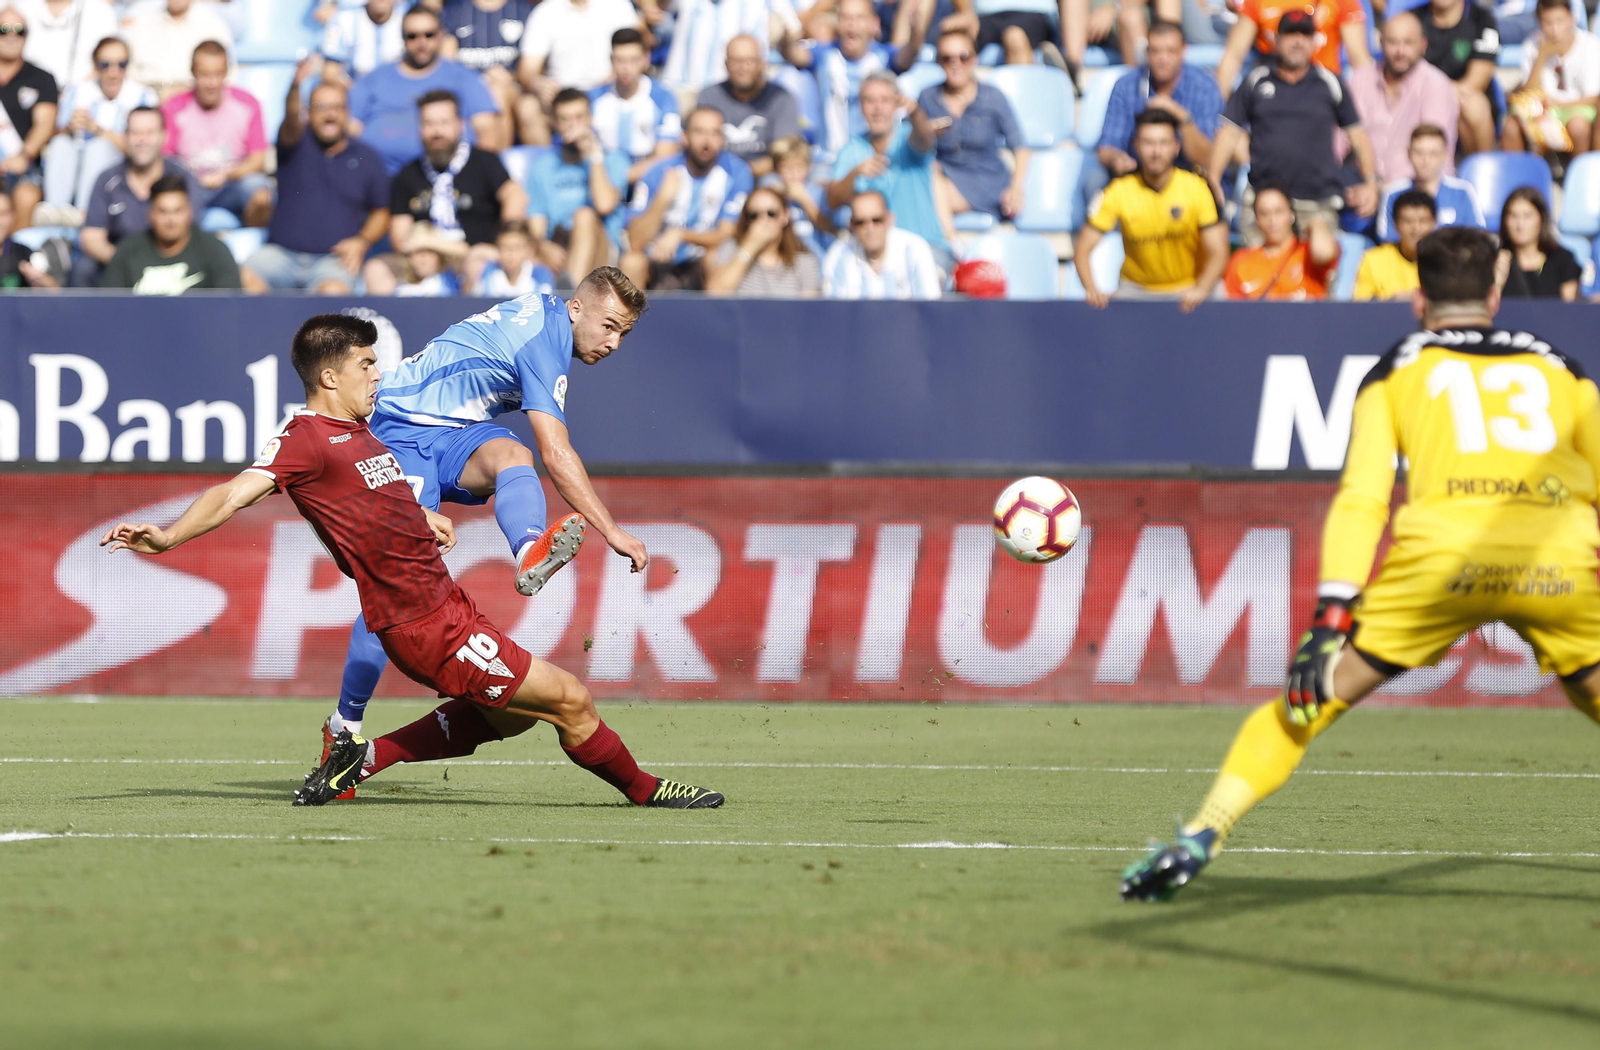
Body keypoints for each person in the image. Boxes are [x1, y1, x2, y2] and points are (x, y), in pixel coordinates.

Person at [1121, 225, 1600, 901]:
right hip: (1557, 560)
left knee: (1306, 703)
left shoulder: (1398, 368)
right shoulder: (1564, 368)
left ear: (1417, 297)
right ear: (1496, 293)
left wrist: (1331, 615)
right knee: (1591, 692)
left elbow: (1364, 500)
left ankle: (1203, 831)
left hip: (1442, 565)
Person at [101, 311, 724, 812]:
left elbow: (375, 492)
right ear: (328, 378)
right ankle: (647, 789)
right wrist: (166, 538)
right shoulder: (303, 439)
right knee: (571, 701)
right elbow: (235, 492)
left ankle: (361, 758)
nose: (379, 374)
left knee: (506, 721)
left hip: (443, 606)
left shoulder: (365, 432)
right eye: (366, 364)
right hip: (423, 623)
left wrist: (422, 517)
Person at [315, 274, 672, 779]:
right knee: (398, 588)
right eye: (608, 326)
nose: (613, 343)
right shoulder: (544, 340)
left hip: (451, 432)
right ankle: (344, 726)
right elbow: (558, 451)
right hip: (399, 426)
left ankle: (529, 548)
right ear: (576, 308)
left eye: (623, 334)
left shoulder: (545, 318)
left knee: (511, 453)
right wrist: (612, 530)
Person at [1210, 10, 1379, 248]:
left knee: (1322, 257)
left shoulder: (1330, 83)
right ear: (1276, 40)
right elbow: (1229, 132)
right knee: (1258, 270)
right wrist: (1215, 177)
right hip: (1264, 201)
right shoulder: (1256, 80)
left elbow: (1358, 136)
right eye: (1290, 34)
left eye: (1305, 35)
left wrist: (1371, 182)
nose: (1298, 42)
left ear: (1314, 42)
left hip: (1317, 200)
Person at [240, 60, 389, 295]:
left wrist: (362, 240)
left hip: (332, 262)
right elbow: (290, 119)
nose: (330, 114)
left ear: (347, 113)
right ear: (308, 113)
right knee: (244, 280)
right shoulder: (294, 143)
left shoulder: (367, 157)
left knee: (332, 294)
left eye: (336, 108)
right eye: (321, 107)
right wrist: (296, 86)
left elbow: (382, 211)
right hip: (280, 255)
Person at [373, 89, 525, 294]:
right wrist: (429, 247)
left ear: (460, 125)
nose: (437, 132)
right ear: (420, 128)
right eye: (429, 124)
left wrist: (502, 245)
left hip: (477, 256)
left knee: (476, 264)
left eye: (444, 123)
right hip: (423, 260)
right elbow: (400, 237)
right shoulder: (407, 175)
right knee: (376, 269)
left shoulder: (485, 162)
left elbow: (515, 197)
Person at [1077, 108, 1226, 308]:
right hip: (1136, 290)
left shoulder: (1197, 188)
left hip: (1189, 288)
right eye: (1148, 143)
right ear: (1136, 146)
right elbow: (1082, 250)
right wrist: (1092, 291)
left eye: (1163, 143)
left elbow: (1218, 251)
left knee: (1221, 294)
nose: (1156, 152)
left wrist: (1201, 289)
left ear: (1176, 147)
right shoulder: (1118, 191)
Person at [349, 5, 502, 177]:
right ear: (403, 38)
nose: (421, 43)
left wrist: (477, 181)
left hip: (451, 179)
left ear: (441, 36)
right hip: (383, 179)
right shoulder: (374, 79)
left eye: (429, 34)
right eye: (412, 36)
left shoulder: (464, 78)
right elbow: (350, 130)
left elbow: (488, 132)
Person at [621, 105, 752, 291]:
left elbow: (727, 234)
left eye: (715, 133)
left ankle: (719, 319)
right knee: (631, 262)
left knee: (717, 257)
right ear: (684, 137)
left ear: (723, 139)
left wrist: (681, 234)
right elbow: (635, 240)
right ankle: (630, 320)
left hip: (701, 261)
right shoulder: (657, 172)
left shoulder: (737, 173)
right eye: (699, 132)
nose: (707, 141)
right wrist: (663, 199)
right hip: (658, 260)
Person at [826, 71, 947, 263]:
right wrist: (854, 174)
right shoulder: (851, 148)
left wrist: (915, 112)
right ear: (860, 106)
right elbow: (833, 201)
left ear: (896, 104)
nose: (877, 108)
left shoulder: (907, 136)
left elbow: (925, 139)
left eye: (885, 100)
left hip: (925, 248)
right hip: (873, 255)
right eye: (869, 101)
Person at [74, 104, 199, 285]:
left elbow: (190, 231)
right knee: (83, 268)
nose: (142, 140)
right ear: (125, 137)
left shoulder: (182, 179)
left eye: (149, 133)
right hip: (119, 264)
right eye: (135, 133)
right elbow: (91, 238)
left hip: (174, 265)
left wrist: (156, 265)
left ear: (164, 136)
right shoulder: (107, 180)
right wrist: (127, 263)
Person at [784, 0, 922, 162]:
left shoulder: (884, 56)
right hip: (830, 160)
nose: (852, 25)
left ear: (874, 23)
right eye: (846, 18)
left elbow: (907, 57)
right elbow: (794, 54)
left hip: (876, 160)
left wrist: (916, 34)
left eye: (859, 18)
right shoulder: (824, 55)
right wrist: (786, 39)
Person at [919, 28, 1029, 224]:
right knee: (930, 173)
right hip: (945, 176)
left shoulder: (992, 97)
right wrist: (924, 131)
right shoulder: (928, 97)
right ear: (939, 61)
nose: (956, 64)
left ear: (975, 59)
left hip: (987, 180)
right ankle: (951, 239)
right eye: (947, 58)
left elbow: (1020, 146)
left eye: (964, 57)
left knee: (926, 193)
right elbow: (911, 144)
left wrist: (1016, 188)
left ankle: (949, 243)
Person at [38, 35, 151, 223]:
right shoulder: (77, 91)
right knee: (61, 143)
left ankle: (85, 213)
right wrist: (69, 128)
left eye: (121, 64)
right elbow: (55, 136)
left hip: (118, 169)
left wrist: (97, 130)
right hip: (75, 160)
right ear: (95, 66)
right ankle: (54, 211)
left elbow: (140, 148)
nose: (113, 72)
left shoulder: (142, 96)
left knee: (98, 148)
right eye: (105, 64)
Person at [160, 40, 272, 226]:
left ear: (226, 73)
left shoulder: (248, 104)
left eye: (217, 74)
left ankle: (253, 243)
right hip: (189, 187)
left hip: (233, 184)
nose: (211, 83)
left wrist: (226, 175)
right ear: (193, 73)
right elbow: (165, 158)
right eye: (204, 75)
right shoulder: (173, 107)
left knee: (261, 195)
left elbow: (258, 159)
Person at [1095, 20, 1223, 179]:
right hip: (1136, 177)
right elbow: (1107, 147)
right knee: (1095, 179)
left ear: (1184, 50)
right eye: (1156, 51)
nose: (1163, 59)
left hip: (1189, 177)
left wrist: (1180, 115)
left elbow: (1208, 157)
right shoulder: (1126, 86)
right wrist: (1117, 160)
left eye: (1171, 51)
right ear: (1147, 52)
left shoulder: (1205, 86)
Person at [524, 88, 628, 285]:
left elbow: (604, 204)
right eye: (565, 119)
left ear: (590, 118)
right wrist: (544, 246)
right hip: (560, 244)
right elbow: (536, 222)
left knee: (584, 216)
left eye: (579, 117)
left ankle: (570, 297)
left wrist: (594, 154)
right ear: (554, 123)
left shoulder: (613, 160)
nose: (573, 125)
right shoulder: (542, 166)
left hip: (604, 250)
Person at [1344, 12, 1459, 185]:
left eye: (1408, 43)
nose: (1400, 51)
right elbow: (1339, 139)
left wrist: (1385, 188)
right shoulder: (1359, 80)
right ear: (1381, 43)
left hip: (1417, 187)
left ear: (1423, 45)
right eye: (1393, 42)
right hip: (1363, 183)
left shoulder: (1436, 85)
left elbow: (1432, 154)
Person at [100, 172, 240, 292]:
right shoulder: (127, 251)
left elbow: (229, 307)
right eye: (163, 212)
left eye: (177, 211)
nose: (171, 220)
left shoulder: (215, 250)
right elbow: (110, 307)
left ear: (189, 212)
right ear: (151, 214)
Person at [697, 33, 800, 178]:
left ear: (762, 64)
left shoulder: (781, 99)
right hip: (716, 174)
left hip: (763, 177)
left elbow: (784, 155)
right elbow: (698, 146)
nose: (742, 68)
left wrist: (742, 174)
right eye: (735, 61)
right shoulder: (709, 97)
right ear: (726, 64)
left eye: (749, 61)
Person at [1503, 0, 1600, 155]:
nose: (1555, 29)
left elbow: (1594, 97)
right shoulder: (1533, 45)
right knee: (1512, 125)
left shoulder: (1591, 45)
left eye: (1560, 21)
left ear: (1572, 19)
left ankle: (1578, 174)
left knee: (1578, 126)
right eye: (1548, 23)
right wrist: (1542, 56)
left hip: (1577, 109)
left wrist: (1561, 104)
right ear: (1539, 23)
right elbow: (1527, 93)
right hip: (1542, 111)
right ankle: (1525, 174)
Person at [1216, 0, 1371, 96]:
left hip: (1323, 91)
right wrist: (1216, 106)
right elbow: (1233, 56)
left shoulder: (1341, 2)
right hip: (1274, 90)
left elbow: (1359, 59)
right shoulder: (1256, 2)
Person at [438, 0, 535, 150]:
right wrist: (479, 80)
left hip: (512, 89)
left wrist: (512, 76)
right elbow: (447, 66)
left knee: (498, 91)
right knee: (490, 91)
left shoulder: (523, 10)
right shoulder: (454, 11)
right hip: (469, 90)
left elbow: (534, 67)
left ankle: (496, 163)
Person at [591, 28, 681, 185]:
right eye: (620, 60)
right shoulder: (594, 98)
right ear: (611, 60)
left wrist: (623, 178)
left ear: (646, 59)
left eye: (633, 60)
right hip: (602, 179)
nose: (626, 68)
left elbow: (665, 153)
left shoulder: (664, 97)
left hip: (647, 180)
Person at [1223, 182, 1338, 300]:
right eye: (1264, 213)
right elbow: (1234, 312)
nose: (1272, 220)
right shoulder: (1241, 261)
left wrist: (1315, 224)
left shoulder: (1307, 253)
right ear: (1257, 219)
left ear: (1291, 213)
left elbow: (1324, 253)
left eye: (1279, 211)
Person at [821, 188, 941, 299]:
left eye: (876, 220)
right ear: (851, 225)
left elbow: (930, 309)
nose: (870, 228)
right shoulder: (838, 254)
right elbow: (833, 312)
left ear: (890, 219)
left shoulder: (915, 250)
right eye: (860, 222)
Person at [517, 0, 643, 104]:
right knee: (528, 106)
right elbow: (527, 70)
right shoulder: (545, 11)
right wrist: (538, 84)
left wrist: (614, 78)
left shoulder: (619, 5)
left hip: (610, 94)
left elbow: (634, 53)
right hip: (561, 99)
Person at [1376, 123, 1484, 243]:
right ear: (1408, 153)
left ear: (1446, 155)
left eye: (1433, 153)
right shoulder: (1393, 193)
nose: (1425, 160)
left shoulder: (1463, 191)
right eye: (1419, 153)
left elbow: (1477, 237)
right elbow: (1387, 238)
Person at [705, 184, 820, 296]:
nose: (763, 221)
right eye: (754, 215)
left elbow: (808, 311)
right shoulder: (732, 249)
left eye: (771, 214)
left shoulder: (803, 261)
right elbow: (715, 293)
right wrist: (749, 247)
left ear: (785, 215)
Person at [662, 0, 800, 94]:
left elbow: (794, 29)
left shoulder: (757, 5)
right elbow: (657, 8)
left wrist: (780, 31)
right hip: (682, 89)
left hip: (731, 94)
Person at [0, 6, 58, 228]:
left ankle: (12, 257)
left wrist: (23, 156)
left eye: (19, 30)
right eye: (3, 29)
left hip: (23, 166)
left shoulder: (41, 78)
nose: (11, 36)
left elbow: (45, 124)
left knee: (26, 195)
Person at [1420, 0, 1499, 157]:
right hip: (1421, 98)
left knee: (1473, 105)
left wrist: (1439, 90)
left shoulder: (1482, 19)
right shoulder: (1413, 19)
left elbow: (1474, 83)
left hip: (1462, 100)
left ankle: (1481, 170)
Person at [122, 0, 233, 97]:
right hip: (147, 101)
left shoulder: (213, 25)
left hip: (193, 103)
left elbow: (227, 76)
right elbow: (130, 73)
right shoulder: (143, 23)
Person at [1496, 185, 1582, 300]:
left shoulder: (1563, 260)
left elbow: (1570, 309)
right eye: (1513, 216)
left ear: (1542, 219)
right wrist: (1497, 283)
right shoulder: (1494, 260)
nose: (1520, 224)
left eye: (1527, 216)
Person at [1353, 187, 1435, 300]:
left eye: (1423, 221)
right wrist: (1393, 302)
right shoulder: (1373, 260)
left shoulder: (1447, 261)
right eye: (1408, 221)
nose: (1416, 228)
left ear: (1434, 224)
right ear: (1396, 225)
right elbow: (1361, 307)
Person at [942, 0, 1076, 69]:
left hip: (1031, 14)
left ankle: (1022, 111)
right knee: (954, 41)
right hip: (981, 17)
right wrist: (965, 12)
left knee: (1015, 37)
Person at [17, 0, 118, 90]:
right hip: (26, 95)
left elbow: (112, 59)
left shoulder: (101, 12)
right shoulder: (20, 10)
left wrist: (72, 95)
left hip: (82, 100)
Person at [769, 133, 835, 256]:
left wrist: (804, 200)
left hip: (817, 258)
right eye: (787, 168)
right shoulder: (773, 193)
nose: (793, 174)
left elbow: (829, 228)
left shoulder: (818, 192)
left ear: (809, 166)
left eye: (798, 168)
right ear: (776, 168)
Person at [320, 0, 404, 86]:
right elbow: (329, 72)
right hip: (354, 90)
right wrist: (359, 91)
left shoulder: (409, 18)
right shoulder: (343, 19)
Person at [473, 218, 556, 296]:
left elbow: (547, 305)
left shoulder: (541, 275)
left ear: (529, 250)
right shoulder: (488, 272)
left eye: (517, 248)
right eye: (505, 247)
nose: (511, 254)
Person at [0, 185, 54, 286]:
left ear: (13, 216)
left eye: (3, 214)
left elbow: (56, 294)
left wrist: (40, 280)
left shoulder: (23, 254)